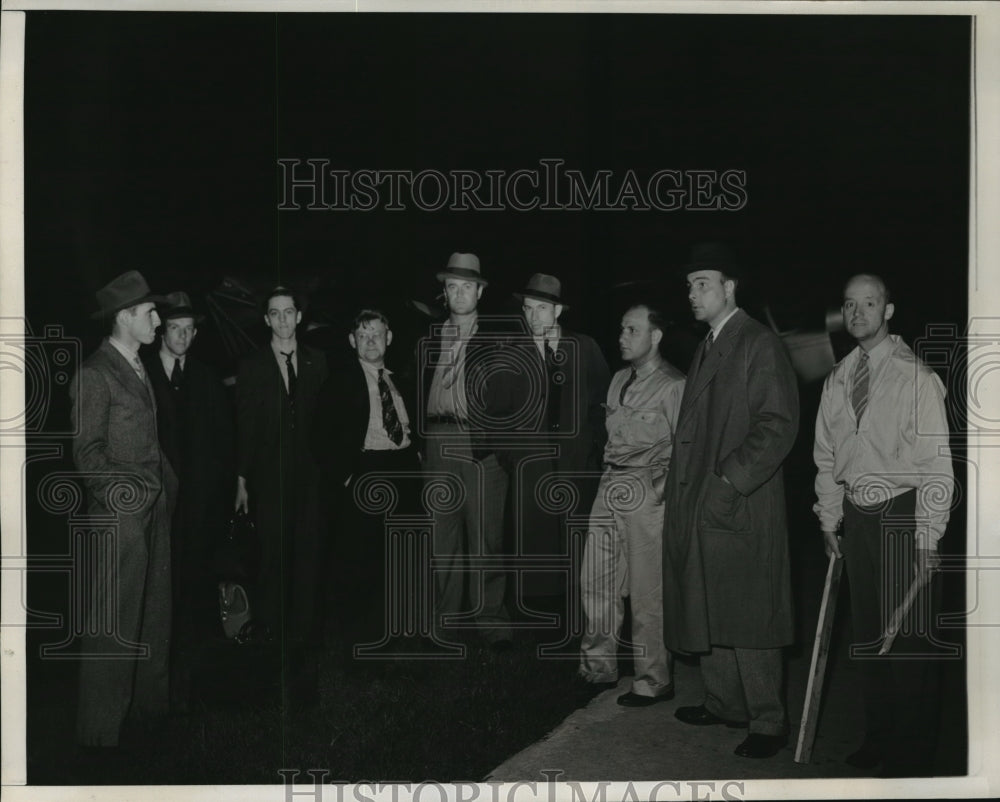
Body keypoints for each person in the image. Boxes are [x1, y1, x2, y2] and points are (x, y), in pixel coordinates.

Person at [662, 242, 799, 759]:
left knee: (751, 610)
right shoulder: (712, 341)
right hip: (707, 497)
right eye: (689, 285)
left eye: (703, 283)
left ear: (730, 287)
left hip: (740, 499)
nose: (692, 294)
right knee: (712, 599)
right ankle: (723, 703)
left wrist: (727, 483)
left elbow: (778, 424)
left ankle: (768, 720)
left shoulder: (756, 342)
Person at [813, 273, 953, 777]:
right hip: (857, 515)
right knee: (870, 636)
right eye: (849, 305)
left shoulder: (915, 377)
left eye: (869, 304)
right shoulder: (839, 376)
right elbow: (826, 456)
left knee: (908, 640)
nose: (857, 314)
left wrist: (928, 534)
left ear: (888, 310)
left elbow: (937, 465)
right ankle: (879, 738)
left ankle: (913, 755)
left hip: (902, 511)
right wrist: (830, 518)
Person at [71, 270, 177, 748]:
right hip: (122, 521)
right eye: (149, 312)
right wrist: (131, 498)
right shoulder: (95, 373)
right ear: (124, 317)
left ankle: (147, 717)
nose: (158, 318)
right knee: (114, 627)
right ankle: (99, 736)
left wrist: (165, 483)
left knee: (153, 616)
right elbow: (88, 458)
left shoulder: (137, 364)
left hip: (152, 513)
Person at [575, 304, 684, 707]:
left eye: (632, 329)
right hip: (610, 482)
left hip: (645, 487)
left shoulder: (674, 384)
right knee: (596, 579)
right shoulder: (619, 379)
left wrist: (659, 489)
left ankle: (653, 679)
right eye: (621, 328)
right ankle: (597, 666)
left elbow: (685, 449)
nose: (622, 336)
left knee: (646, 589)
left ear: (655, 336)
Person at [234, 286, 328, 701]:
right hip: (268, 477)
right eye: (276, 314)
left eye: (290, 312)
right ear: (267, 321)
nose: (285, 320)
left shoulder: (317, 361)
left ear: (299, 317)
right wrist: (241, 480)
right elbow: (243, 426)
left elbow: (329, 421)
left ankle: (303, 640)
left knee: (308, 554)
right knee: (272, 554)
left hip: (311, 476)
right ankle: (270, 635)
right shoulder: (252, 366)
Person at [415, 252, 514, 648]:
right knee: (443, 538)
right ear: (444, 291)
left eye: (466, 286)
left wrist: (497, 444)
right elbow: (415, 386)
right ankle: (446, 622)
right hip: (437, 442)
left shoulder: (498, 337)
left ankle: (492, 624)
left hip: (478, 445)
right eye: (452, 286)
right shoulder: (428, 337)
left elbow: (513, 396)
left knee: (486, 539)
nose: (459, 293)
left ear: (480, 291)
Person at [143, 291, 233, 711]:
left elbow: (221, 440)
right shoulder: (142, 373)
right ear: (162, 331)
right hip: (157, 494)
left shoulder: (208, 378)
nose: (181, 336)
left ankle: (201, 656)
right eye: (174, 329)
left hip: (199, 499)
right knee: (160, 574)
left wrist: (221, 488)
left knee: (197, 569)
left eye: (188, 330)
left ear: (196, 335)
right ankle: (160, 650)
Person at [313, 309, 419, 665]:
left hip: (402, 469)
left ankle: (399, 635)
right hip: (367, 471)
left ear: (389, 338)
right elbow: (320, 435)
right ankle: (363, 643)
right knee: (363, 559)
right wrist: (345, 475)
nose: (370, 341)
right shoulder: (341, 381)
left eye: (376, 334)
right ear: (351, 341)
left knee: (399, 556)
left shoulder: (398, 378)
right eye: (363, 335)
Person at [510, 273, 610, 601]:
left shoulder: (585, 347)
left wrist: (593, 450)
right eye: (527, 308)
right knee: (537, 539)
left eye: (541, 308)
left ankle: (578, 607)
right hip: (533, 463)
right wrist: (513, 457)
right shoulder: (513, 354)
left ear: (558, 311)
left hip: (576, 460)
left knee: (578, 538)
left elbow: (603, 403)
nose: (533, 316)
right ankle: (541, 615)